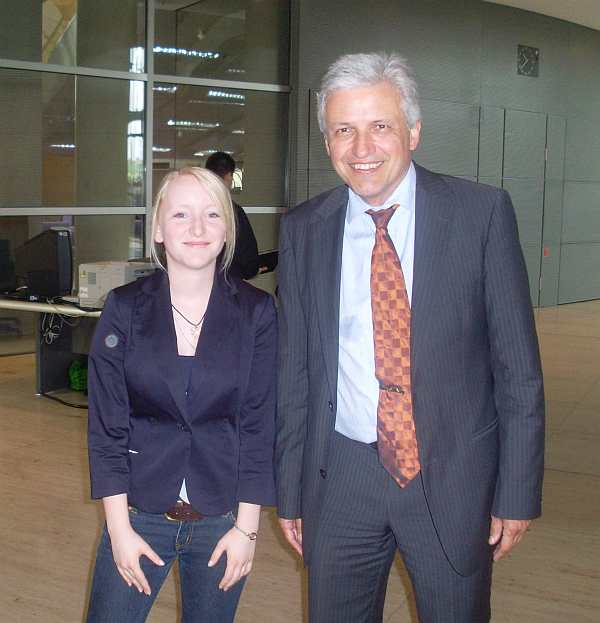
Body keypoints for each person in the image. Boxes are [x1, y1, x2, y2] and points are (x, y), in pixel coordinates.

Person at [275, 52, 544, 623]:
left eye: (380, 126)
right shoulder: (303, 231)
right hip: (341, 476)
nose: (362, 147)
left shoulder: (481, 215)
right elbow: (295, 373)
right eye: (343, 130)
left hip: (449, 476)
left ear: (413, 132)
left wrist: (516, 490)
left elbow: (517, 369)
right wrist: (292, 489)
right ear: (327, 143)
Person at [86, 166, 277, 623]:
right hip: (137, 514)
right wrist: (119, 529)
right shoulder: (124, 308)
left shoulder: (257, 313)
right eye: (181, 215)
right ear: (157, 228)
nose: (197, 229)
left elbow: (259, 424)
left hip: (222, 520)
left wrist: (247, 530)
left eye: (213, 214)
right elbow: (107, 428)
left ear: (228, 229)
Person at [205, 151, 260, 280]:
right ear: (229, 176)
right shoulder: (233, 212)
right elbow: (249, 261)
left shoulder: (193, 208)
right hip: (228, 286)